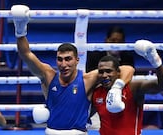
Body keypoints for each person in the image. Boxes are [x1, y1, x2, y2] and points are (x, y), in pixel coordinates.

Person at [11, 5, 134, 135]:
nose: (63, 64)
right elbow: (26, 54)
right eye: (60, 59)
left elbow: (127, 69)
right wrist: (20, 31)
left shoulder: (88, 79)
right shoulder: (48, 75)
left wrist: (117, 87)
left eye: (68, 59)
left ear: (77, 60)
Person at [91, 39, 163, 135]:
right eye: (101, 72)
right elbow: (85, 115)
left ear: (118, 72)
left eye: (109, 71)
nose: (104, 75)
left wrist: (156, 62)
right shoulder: (96, 92)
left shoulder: (132, 88)